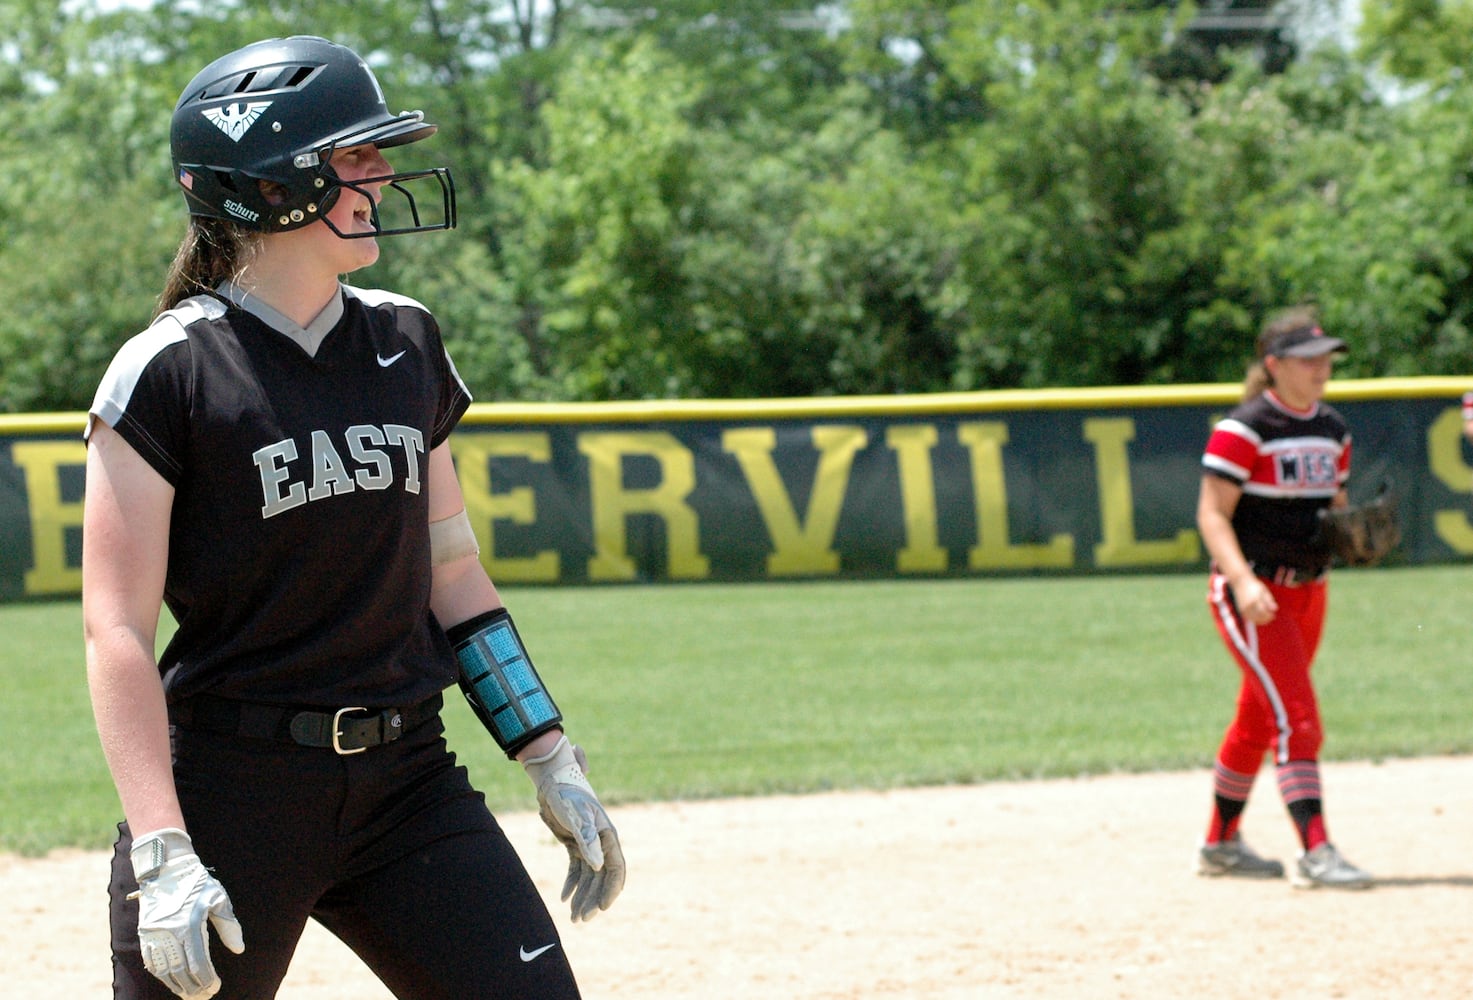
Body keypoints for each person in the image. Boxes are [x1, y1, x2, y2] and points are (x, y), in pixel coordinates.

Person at [82, 36, 624, 1000]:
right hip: (229, 794)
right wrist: (164, 849)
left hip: (408, 780)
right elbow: (115, 630)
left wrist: (548, 752)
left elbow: (453, 576)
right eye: (356, 155)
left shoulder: (405, 337)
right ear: (271, 185)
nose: (384, 174)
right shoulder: (170, 370)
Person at [1192, 307, 1372, 890]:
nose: (1322, 368)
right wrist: (1242, 581)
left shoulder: (1333, 429)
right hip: (1254, 592)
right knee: (1297, 718)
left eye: (1326, 358)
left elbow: (1333, 506)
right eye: (1308, 359)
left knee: (1257, 719)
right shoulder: (1244, 429)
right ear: (1275, 366)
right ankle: (1317, 853)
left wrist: (1352, 533)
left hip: (1308, 592)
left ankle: (1219, 845)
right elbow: (1212, 515)